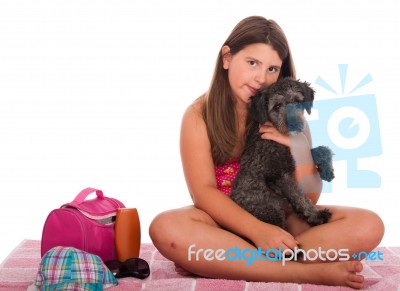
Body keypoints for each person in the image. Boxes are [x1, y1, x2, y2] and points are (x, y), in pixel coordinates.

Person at [149, 16, 384, 289]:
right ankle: (304, 272)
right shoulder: (198, 115)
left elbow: (308, 197)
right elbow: (203, 192)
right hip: (222, 224)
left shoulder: (290, 116)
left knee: (369, 224)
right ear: (226, 57)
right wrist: (258, 231)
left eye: (272, 69)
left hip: (281, 220)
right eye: (252, 63)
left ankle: (227, 262)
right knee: (165, 227)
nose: (261, 78)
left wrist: (300, 151)